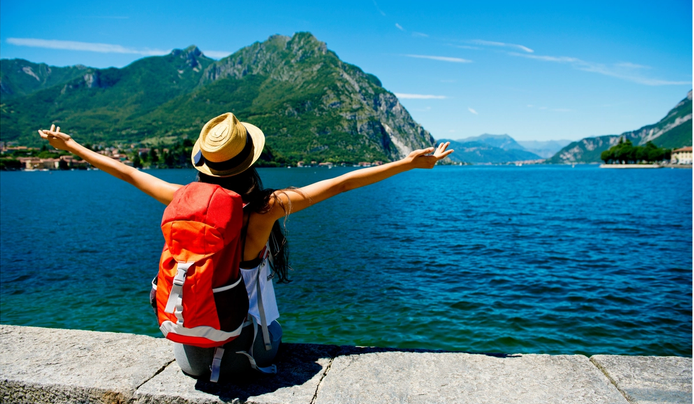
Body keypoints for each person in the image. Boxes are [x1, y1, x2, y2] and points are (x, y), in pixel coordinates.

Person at [38, 112, 453, 379]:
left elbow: (127, 173)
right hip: (251, 352)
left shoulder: (180, 197)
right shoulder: (264, 208)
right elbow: (342, 183)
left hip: (189, 354)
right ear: (248, 161)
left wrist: (70, 146)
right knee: (273, 325)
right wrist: (408, 163)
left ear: (207, 162)